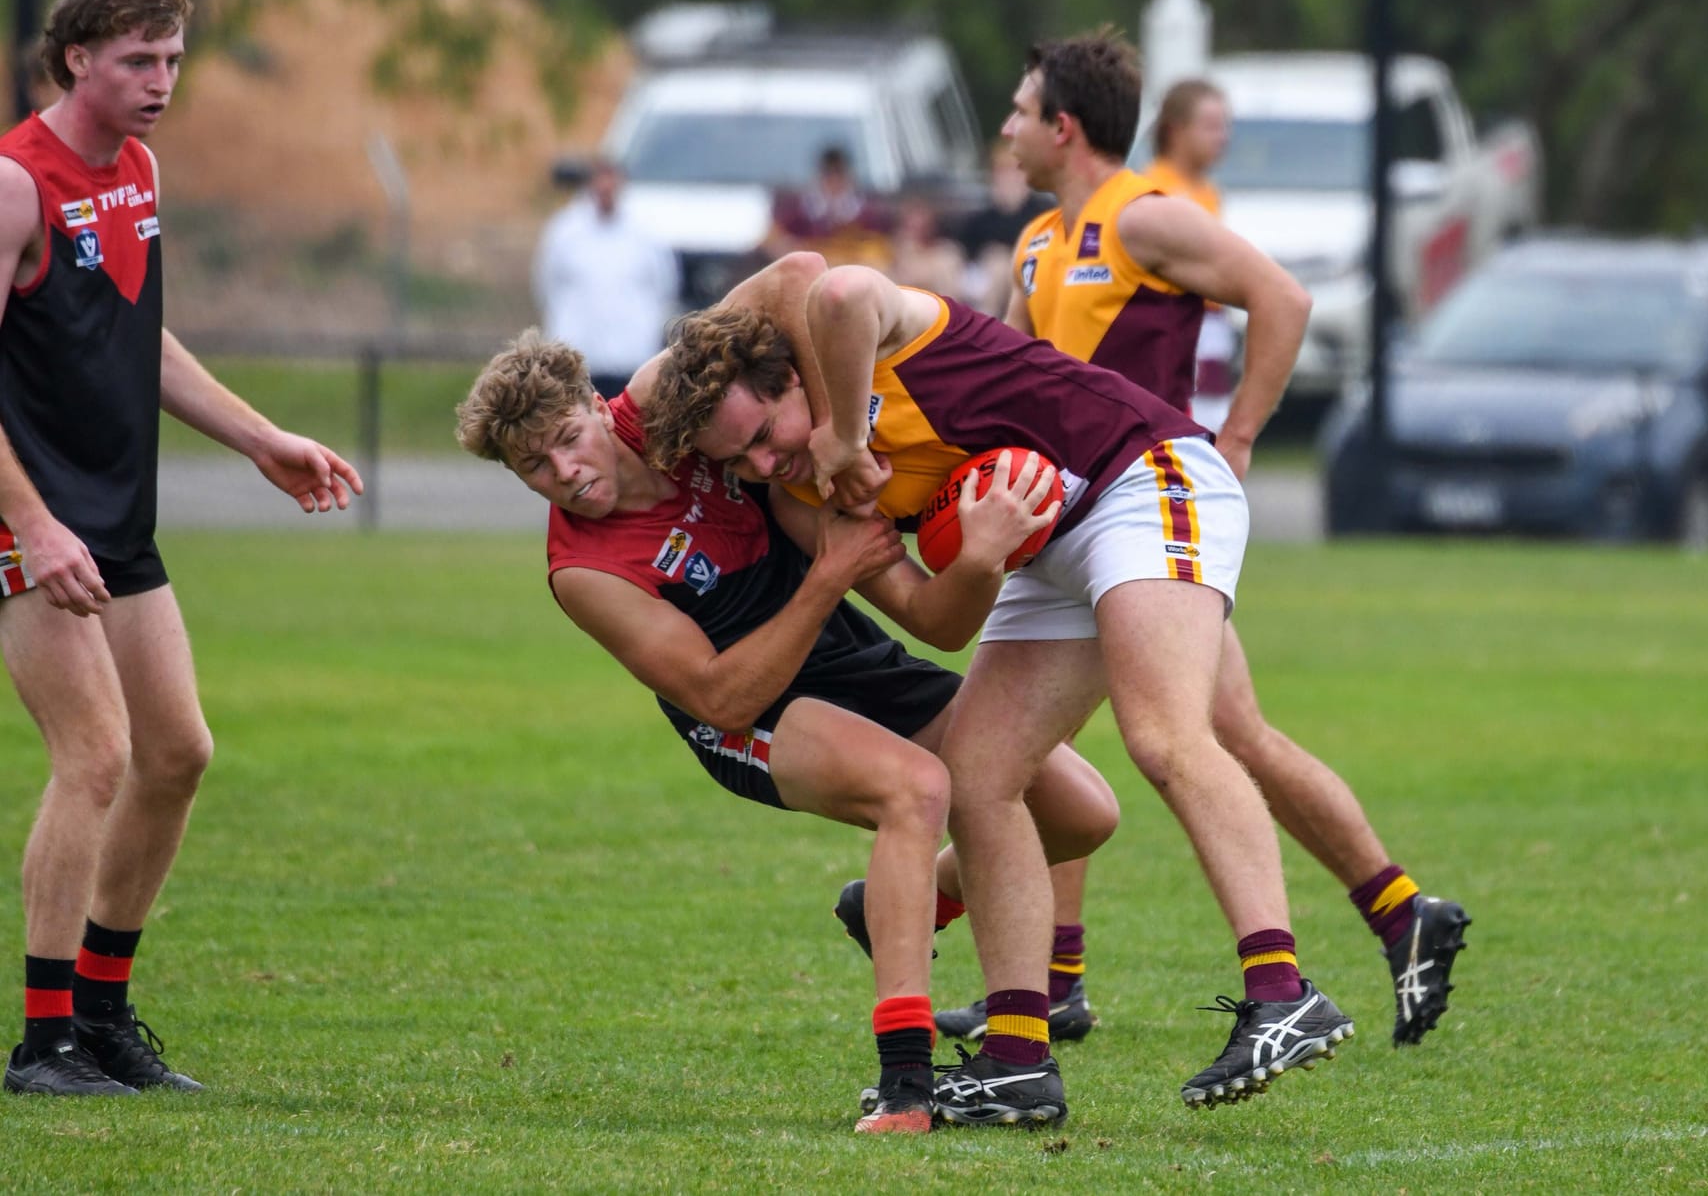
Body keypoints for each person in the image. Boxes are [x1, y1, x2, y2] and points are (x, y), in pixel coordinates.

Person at [651, 266, 1352, 1127]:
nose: (766, 462)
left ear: (790, 378)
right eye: (740, 460)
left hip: (1138, 473)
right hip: (1043, 547)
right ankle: (1018, 1058)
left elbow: (829, 291)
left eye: (765, 432)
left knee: (1163, 735)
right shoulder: (803, 496)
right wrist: (979, 557)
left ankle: (1282, 992)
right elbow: (929, 619)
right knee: (979, 777)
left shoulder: (856, 344)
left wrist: (840, 432)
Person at [455, 255, 1118, 1133]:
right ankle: (908, 1085)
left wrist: (861, 448)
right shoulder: (584, 571)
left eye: (565, 441)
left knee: (1080, 811)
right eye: (533, 468)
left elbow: (803, 274)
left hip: (832, 643)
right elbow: (718, 695)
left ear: (591, 404)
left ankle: (896, 900)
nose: (564, 473)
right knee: (914, 790)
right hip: (745, 705)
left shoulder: (672, 402)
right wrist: (824, 580)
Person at [995, 31, 1469, 1049]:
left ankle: (1074, 979)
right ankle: (1400, 913)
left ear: (1061, 126)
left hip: (1146, 517)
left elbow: (1282, 299)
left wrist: (1239, 435)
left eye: (1018, 109)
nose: (1004, 127)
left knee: (1124, 742)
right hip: (1080, 528)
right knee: (1221, 734)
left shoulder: (1147, 219)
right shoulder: (1035, 245)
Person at [0, 0, 362, 1096]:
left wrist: (260, 437)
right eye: (137, 60)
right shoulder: (17, 183)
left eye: (171, 58)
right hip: (29, 520)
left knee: (177, 752)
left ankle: (103, 1016)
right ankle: (43, 1041)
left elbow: (136, 335)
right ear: (77, 60)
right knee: (95, 756)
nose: (161, 80)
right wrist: (34, 523)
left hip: (115, 514)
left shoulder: (140, 169)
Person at [533, 155, 680, 399]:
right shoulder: (565, 231)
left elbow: (665, 285)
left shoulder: (646, 233)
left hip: (632, 356)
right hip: (578, 355)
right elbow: (547, 284)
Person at [1142, 78, 1239, 432]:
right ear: (1176, 130)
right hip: (1179, 325)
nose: (1223, 136)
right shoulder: (1155, 188)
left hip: (1210, 328)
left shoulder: (1208, 191)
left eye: (1225, 126)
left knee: (1213, 426)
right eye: (1211, 126)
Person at [951, 140, 1052, 315]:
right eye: (1001, 171)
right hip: (980, 275)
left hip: (1026, 272)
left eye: (1013, 171)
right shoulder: (981, 218)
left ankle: (982, 327)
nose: (1007, 178)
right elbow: (962, 249)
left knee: (998, 263)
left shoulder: (1042, 212)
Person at [762, 146, 894, 270]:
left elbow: (884, 249)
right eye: (829, 174)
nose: (834, 180)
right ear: (820, 176)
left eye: (839, 174)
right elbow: (773, 241)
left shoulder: (868, 213)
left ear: (848, 176)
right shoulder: (798, 210)